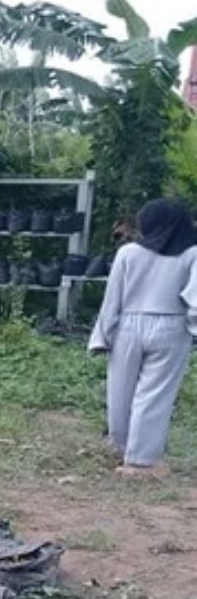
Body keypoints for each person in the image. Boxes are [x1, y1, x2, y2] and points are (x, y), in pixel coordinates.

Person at [89, 198, 197, 476]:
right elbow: (195, 300)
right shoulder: (192, 254)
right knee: (155, 394)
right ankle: (139, 460)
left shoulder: (128, 253)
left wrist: (102, 335)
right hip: (171, 325)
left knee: (120, 389)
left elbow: (112, 299)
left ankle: (119, 445)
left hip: (127, 324)